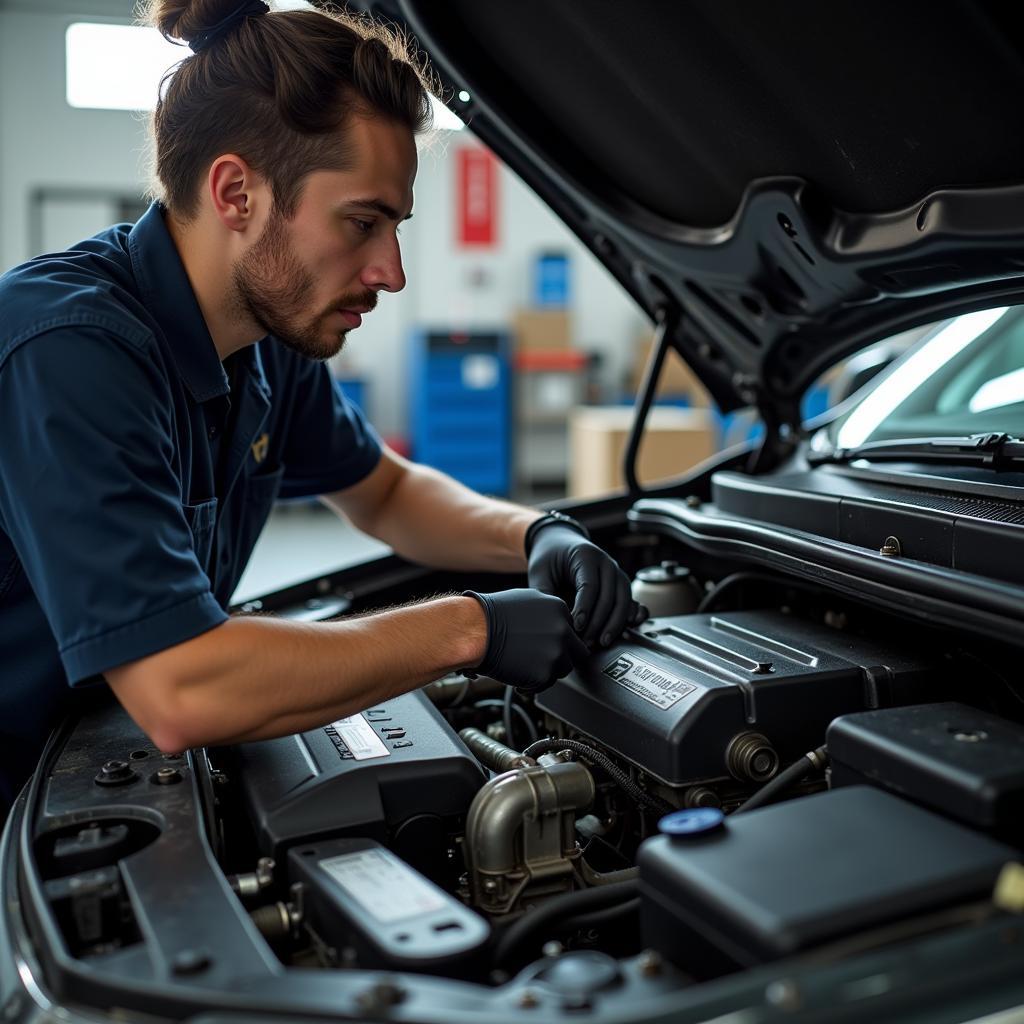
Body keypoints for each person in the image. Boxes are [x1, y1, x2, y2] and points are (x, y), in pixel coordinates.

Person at [0, 0, 644, 808]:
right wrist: (473, 629)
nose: (392, 271)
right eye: (363, 222)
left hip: (87, 767)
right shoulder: (69, 350)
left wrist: (537, 533)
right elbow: (180, 688)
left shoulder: (264, 339)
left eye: (396, 226)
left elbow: (386, 492)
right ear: (237, 193)